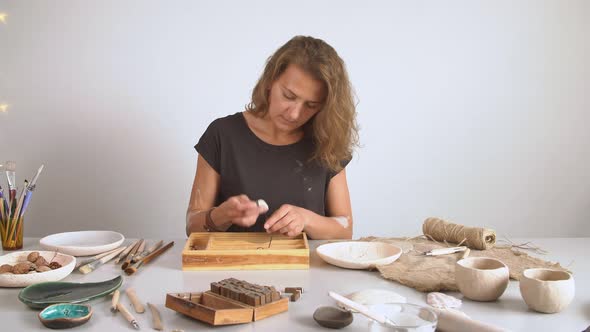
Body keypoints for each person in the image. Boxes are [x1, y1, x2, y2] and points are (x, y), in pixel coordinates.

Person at [186, 36, 359, 240]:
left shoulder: (327, 141)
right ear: (270, 82)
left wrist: (307, 219)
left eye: (311, 105)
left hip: (307, 269)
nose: (294, 114)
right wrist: (220, 216)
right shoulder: (222, 135)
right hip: (234, 269)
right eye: (288, 96)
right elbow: (192, 226)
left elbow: (345, 229)